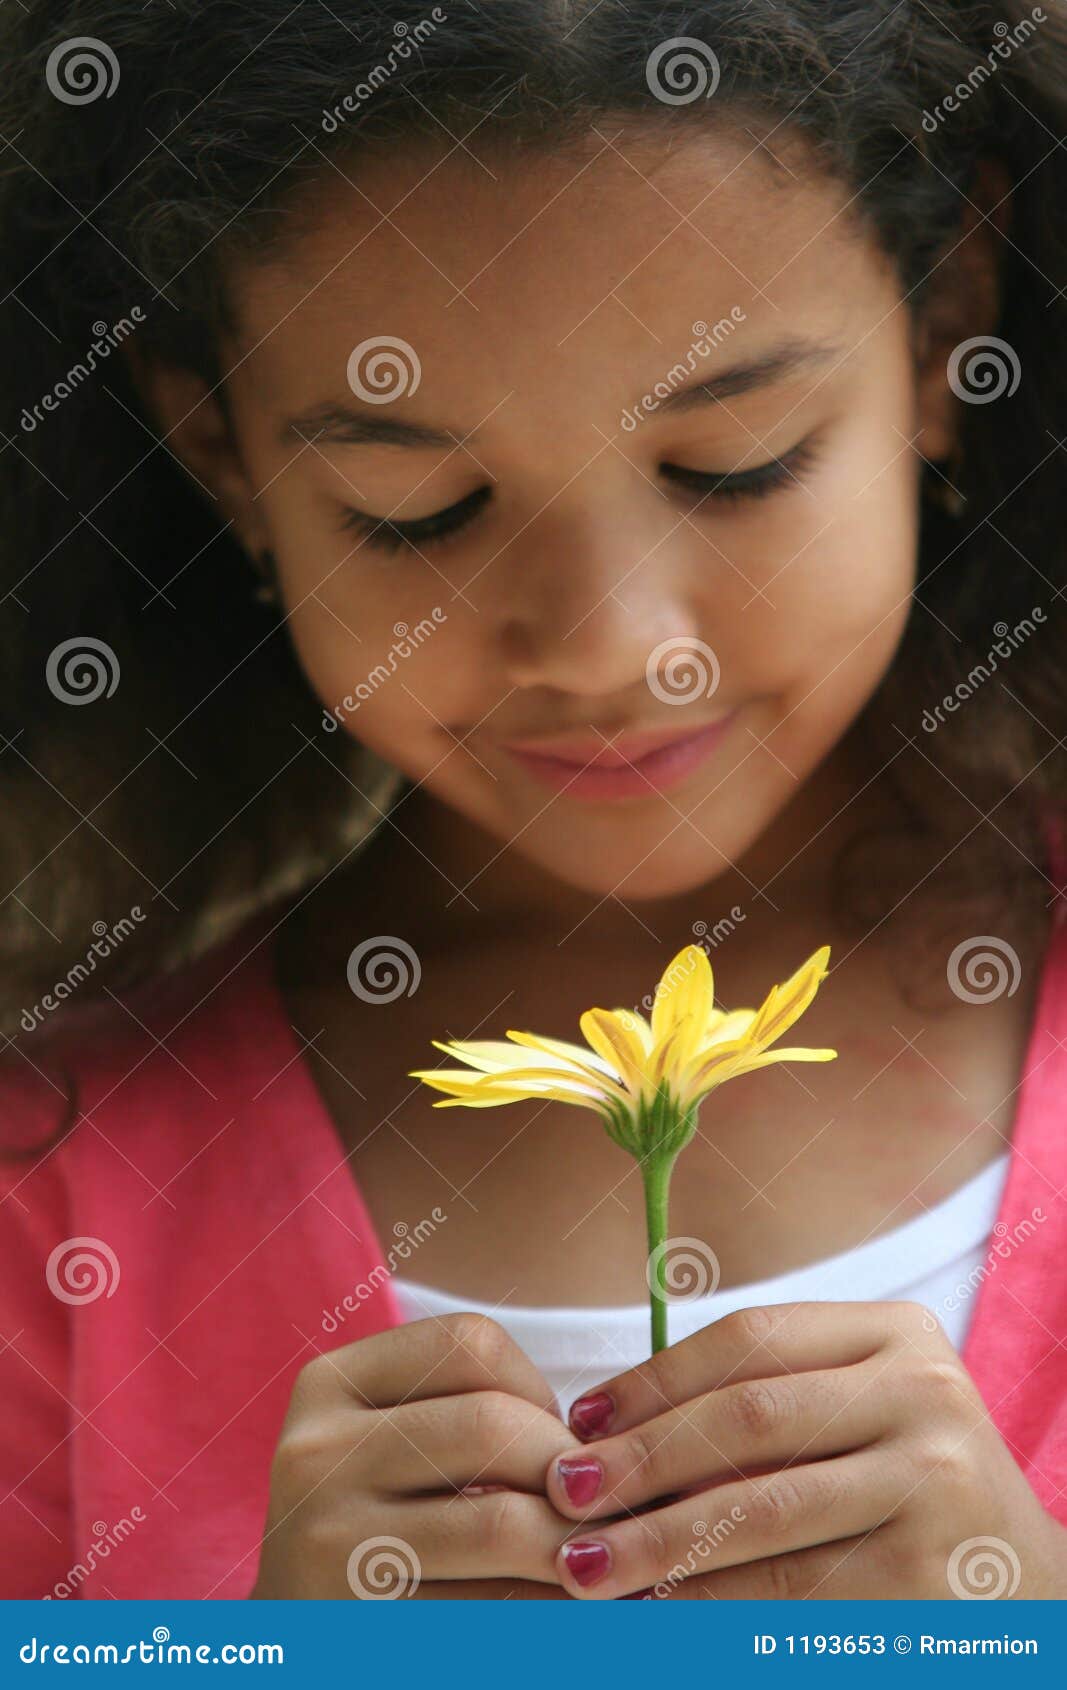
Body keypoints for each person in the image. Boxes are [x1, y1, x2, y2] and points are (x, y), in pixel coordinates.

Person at [1, 0, 1066, 1600]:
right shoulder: (57, 1196)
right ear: (220, 445)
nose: (610, 648)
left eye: (734, 464)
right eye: (417, 508)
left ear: (944, 325)